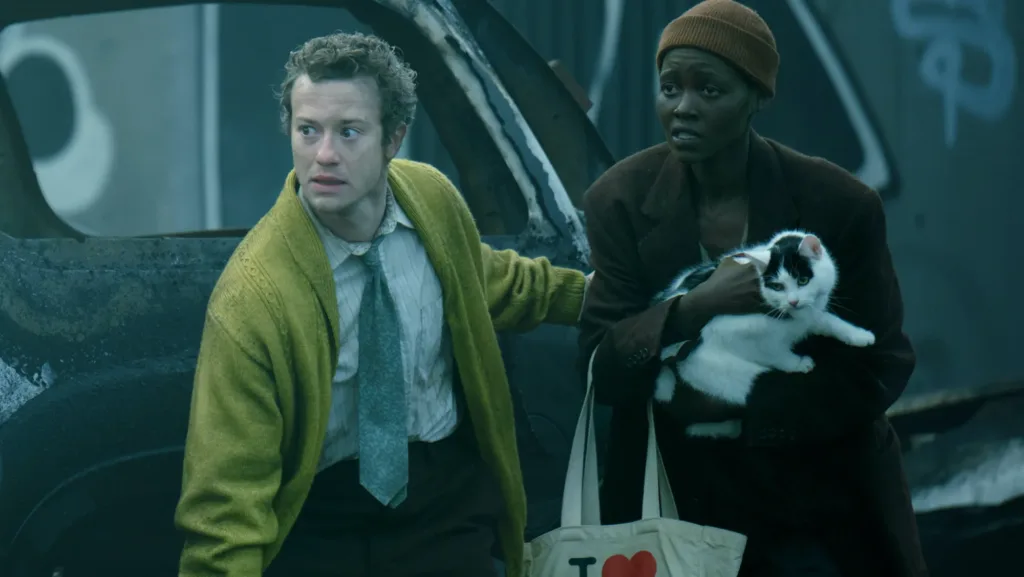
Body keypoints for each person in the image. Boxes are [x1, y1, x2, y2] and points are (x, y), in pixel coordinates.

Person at [173, 32, 589, 577]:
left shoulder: (432, 200)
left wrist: (600, 298)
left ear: (393, 138)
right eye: (308, 130)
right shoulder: (254, 296)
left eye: (349, 131)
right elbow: (225, 502)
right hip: (323, 518)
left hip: (445, 504)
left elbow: (488, 279)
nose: (324, 155)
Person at [577, 1, 927, 576]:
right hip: (676, 512)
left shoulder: (838, 204)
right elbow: (600, 365)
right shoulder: (620, 201)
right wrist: (695, 307)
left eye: (709, 90)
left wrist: (741, 407)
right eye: (670, 88)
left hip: (816, 507)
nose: (683, 107)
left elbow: (881, 364)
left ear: (756, 97)